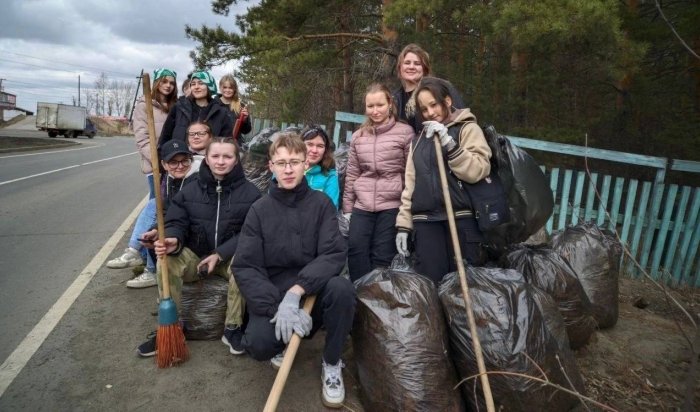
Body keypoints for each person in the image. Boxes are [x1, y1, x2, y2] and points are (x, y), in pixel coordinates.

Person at [231, 133, 354, 408]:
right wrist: (278, 307)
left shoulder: (321, 205)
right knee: (258, 345)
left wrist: (298, 292)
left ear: (305, 165)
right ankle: (285, 337)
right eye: (281, 162)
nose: (288, 169)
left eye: (295, 162)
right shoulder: (259, 210)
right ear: (271, 167)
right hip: (275, 295)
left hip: (313, 291)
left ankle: (332, 363)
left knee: (343, 289)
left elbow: (334, 253)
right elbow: (246, 265)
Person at [137, 137, 261, 357]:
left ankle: (232, 327)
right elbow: (176, 221)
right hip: (194, 254)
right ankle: (171, 328)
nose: (220, 161)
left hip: (228, 257)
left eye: (227, 156)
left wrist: (220, 254)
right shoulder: (190, 189)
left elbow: (251, 232)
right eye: (215, 156)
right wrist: (173, 239)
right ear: (206, 158)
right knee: (168, 261)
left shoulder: (251, 194)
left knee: (246, 264)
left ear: (236, 160)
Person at [395, 77, 492, 284]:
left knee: (463, 288)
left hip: (461, 219)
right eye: (424, 109)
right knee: (430, 286)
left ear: (447, 101)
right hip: (426, 223)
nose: (430, 113)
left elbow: (478, 170)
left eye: (434, 105)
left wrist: (450, 143)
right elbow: (410, 185)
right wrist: (404, 225)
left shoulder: (467, 129)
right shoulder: (419, 140)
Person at [106, 69, 178, 271]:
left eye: (171, 82)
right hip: (156, 166)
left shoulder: (173, 106)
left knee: (160, 210)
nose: (168, 86)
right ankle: (138, 252)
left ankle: (144, 256)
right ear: (156, 83)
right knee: (157, 208)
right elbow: (142, 138)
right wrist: (159, 162)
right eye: (164, 81)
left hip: (172, 165)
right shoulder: (144, 106)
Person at [342, 83, 414, 281]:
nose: (375, 111)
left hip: (392, 203)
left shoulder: (405, 132)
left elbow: (410, 173)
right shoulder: (359, 136)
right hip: (363, 204)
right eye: (370, 106)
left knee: (381, 255)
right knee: (356, 250)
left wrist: (408, 208)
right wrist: (348, 209)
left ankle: (375, 299)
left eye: (380, 105)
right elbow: (352, 174)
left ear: (390, 104)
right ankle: (358, 295)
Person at [126, 140, 199, 288]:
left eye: (184, 161)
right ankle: (155, 273)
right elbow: (166, 211)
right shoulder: (170, 181)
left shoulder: (197, 182)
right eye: (173, 162)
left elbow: (188, 219)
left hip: (193, 239)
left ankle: (158, 276)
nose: (180, 166)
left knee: (163, 243)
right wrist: (155, 230)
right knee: (153, 238)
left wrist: (168, 234)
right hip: (178, 232)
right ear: (164, 164)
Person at [393, 44, 465, 134]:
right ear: (400, 67)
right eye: (407, 63)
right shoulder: (395, 98)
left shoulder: (442, 87)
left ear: (424, 68)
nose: (411, 67)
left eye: (417, 63)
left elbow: (461, 119)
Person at [158, 70, 234, 149]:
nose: (196, 87)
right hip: (180, 159)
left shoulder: (221, 112)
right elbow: (165, 136)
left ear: (209, 86)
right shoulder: (179, 108)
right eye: (193, 84)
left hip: (209, 159)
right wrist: (162, 156)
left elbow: (226, 143)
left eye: (201, 83)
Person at [300, 125, 340, 208]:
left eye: (320, 146)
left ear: (325, 150)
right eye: (310, 144)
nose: (314, 150)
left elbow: (330, 210)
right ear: (300, 145)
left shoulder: (330, 177)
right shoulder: (287, 169)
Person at [215, 74, 252, 140]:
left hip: (234, 145)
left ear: (234, 89)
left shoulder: (241, 106)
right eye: (225, 87)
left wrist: (245, 120)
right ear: (220, 87)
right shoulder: (212, 104)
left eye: (230, 88)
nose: (227, 90)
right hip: (215, 144)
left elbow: (246, 131)